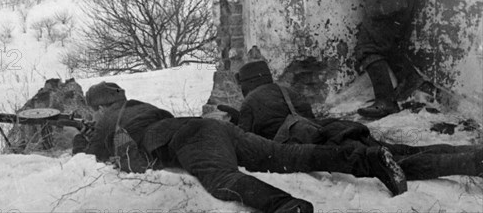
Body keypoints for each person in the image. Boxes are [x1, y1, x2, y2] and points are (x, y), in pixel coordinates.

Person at [73, 82, 407, 213]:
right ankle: (369, 158)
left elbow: (87, 159)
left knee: (221, 180)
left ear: (101, 107)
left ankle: (286, 207)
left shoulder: (108, 119)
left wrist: (80, 136)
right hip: (214, 130)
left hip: (192, 140)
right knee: (286, 156)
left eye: (95, 110)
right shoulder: (140, 106)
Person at [223, 61, 483, 181]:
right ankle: (468, 151)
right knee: (403, 151)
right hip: (336, 129)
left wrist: (235, 121)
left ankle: (468, 162)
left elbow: (247, 141)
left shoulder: (249, 103)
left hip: (325, 144)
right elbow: (305, 119)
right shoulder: (286, 91)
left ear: (247, 84)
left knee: (399, 166)